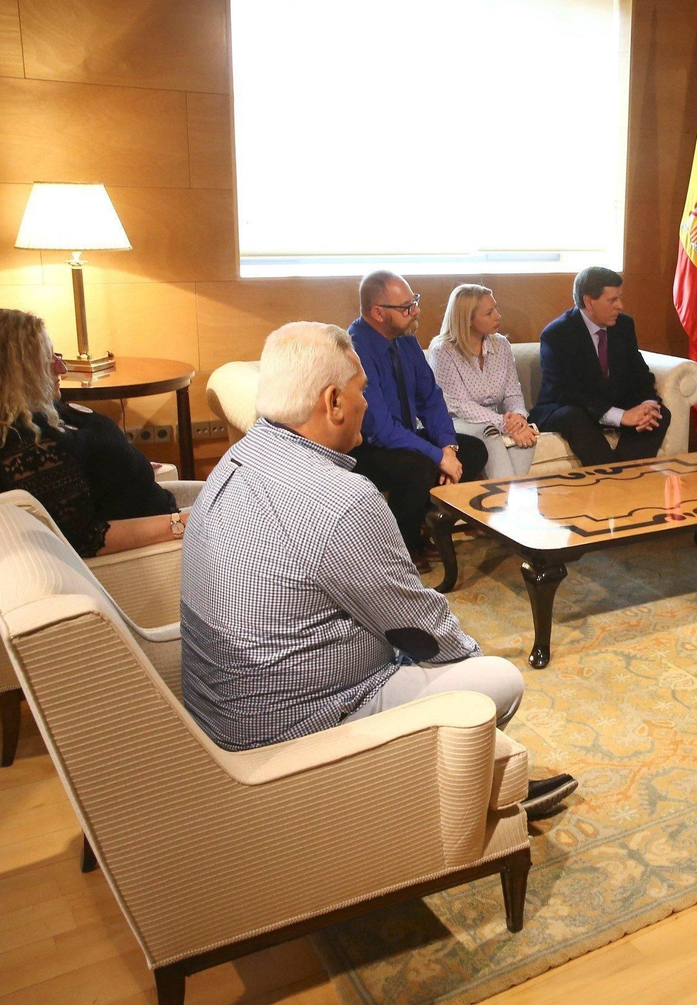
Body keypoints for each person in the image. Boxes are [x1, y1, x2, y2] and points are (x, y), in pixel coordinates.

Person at [180, 322, 575, 818]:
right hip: (293, 730)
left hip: (223, 712)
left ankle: (480, 776)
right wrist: (466, 663)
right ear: (334, 402)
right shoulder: (344, 500)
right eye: (361, 390)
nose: (367, 402)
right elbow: (423, 629)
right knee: (496, 680)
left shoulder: (237, 457)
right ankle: (476, 790)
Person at [0, 308, 184, 558]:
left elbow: (81, 472)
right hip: (159, 540)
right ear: (13, 373)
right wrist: (181, 525)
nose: (61, 367)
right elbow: (82, 537)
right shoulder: (25, 447)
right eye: (49, 359)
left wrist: (120, 464)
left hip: (156, 508)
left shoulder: (22, 419)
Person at [348, 271, 487, 558]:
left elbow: (431, 397)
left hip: (404, 438)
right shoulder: (356, 349)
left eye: (415, 302)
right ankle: (400, 551)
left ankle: (424, 523)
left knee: (474, 451)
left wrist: (448, 447)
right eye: (407, 307)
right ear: (378, 312)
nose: (417, 311)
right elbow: (380, 429)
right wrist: (438, 457)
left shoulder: (405, 338)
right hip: (367, 448)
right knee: (418, 465)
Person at [529, 266, 670, 466]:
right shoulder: (557, 334)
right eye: (612, 300)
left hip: (610, 402)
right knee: (574, 417)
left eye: (620, 297)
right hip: (568, 407)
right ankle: (614, 475)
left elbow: (638, 372)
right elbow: (568, 392)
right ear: (589, 301)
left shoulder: (624, 325)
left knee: (659, 414)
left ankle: (622, 473)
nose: (620, 306)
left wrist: (647, 403)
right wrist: (622, 416)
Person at [430, 284, 538, 479]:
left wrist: (519, 419)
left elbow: (513, 393)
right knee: (490, 434)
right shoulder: (443, 350)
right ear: (468, 319)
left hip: (496, 421)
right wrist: (503, 423)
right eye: (489, 313)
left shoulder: (501, 345)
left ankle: (506, 496)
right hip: (457, 422)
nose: (498, 316)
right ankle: (506, 495)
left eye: (495, 309)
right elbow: (460, 406)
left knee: (529, 435)